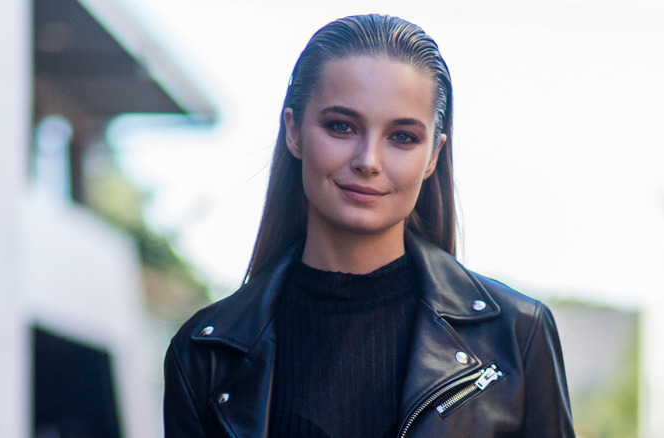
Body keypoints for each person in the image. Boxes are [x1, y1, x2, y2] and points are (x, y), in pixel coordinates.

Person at [163, 13, 575, 438]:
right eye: (341, 127)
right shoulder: (206, 353)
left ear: (433, 156)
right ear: (294, 132)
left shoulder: (516, 336)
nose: (368, 161)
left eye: (403, 137)